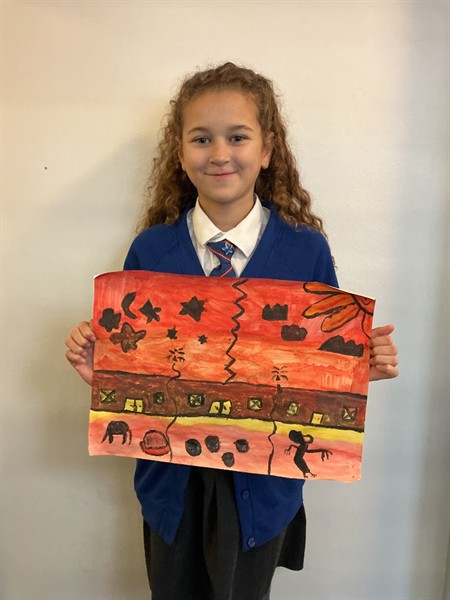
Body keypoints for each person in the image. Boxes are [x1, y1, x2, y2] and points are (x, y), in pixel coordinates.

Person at [65, 62, 399, 600]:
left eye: (237, 137)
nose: (220, 153)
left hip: (262, 490)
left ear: (267, 150)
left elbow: (322, 363)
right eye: (202, 139)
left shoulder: (304, 251)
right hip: (172, 487)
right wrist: (100, 374)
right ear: (180, 154)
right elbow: (137, 371)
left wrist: (359, 372)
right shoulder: (151, 251)